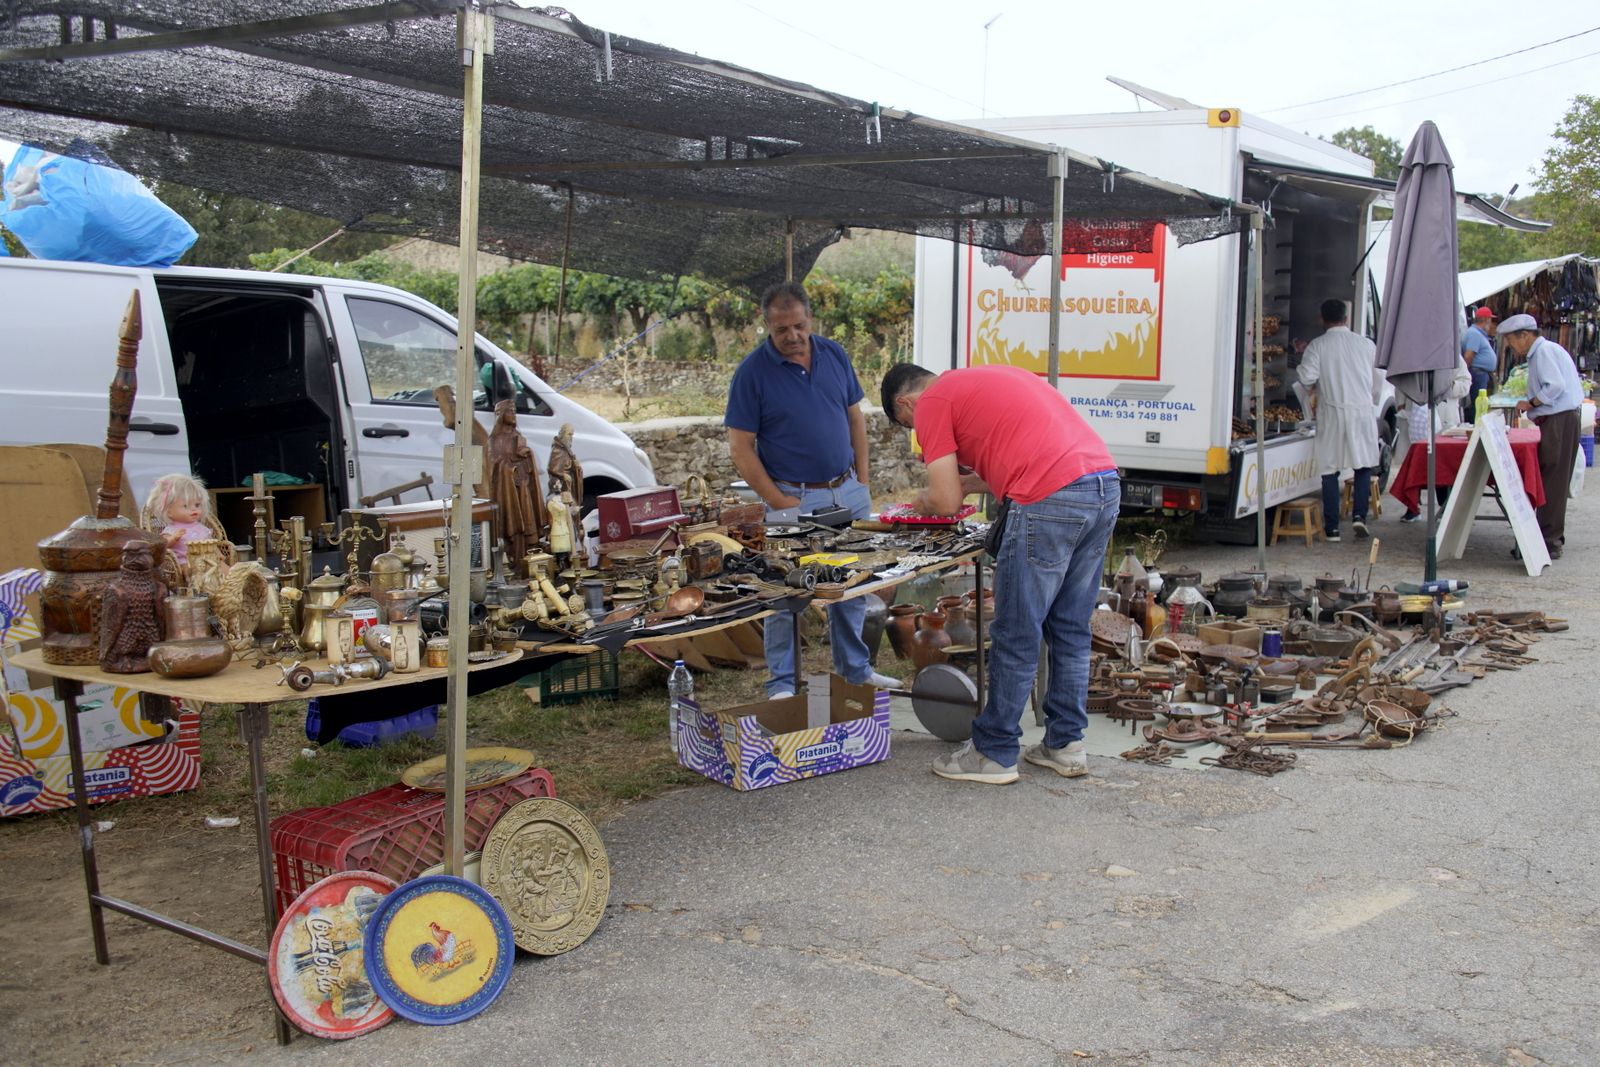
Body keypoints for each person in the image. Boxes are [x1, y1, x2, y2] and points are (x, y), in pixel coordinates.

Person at [880, 362, 1119, 786]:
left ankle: (993, 752)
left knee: (1016, 631)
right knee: (1069, 627)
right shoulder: (981, 381)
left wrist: (925, 500)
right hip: (1100, 485)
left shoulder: (932, 402)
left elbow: (945, 500)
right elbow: (1016, 460)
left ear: (906, 403)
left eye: (908, 425)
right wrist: (969, 483)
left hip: (1050, 498)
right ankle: (1065, 745)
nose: (918, 433)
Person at [725, 281, 898, 698]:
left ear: (810, 318)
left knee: (852, 585)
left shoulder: (834, 353)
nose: (792, 336)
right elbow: (740, 447)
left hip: (847, 491)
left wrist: (863, 478)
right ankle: (782, 685)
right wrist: (780, 502)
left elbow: (855, 418)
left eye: (799, 325)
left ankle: (855, 671)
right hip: (792, 496)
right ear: (766, 325)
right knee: (787, 591)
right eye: (781, 329)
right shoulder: (752, 373)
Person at [1297, 299, 1383, 542]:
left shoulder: (1318, 346)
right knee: (1363, 464)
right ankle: (1359, 516)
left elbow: (1306, 378)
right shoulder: (1366, 345)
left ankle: (1333, 528)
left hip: (1332, 411)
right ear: (1346, 318)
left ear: (1322, 320)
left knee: (1329, 469)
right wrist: (1369, 398)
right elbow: (1378, 382)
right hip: (1361, 409)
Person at [1504, 314, 1583, 560]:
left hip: (1560, 419)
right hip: (1561, 418)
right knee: (1552, 478)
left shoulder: (1543, 352)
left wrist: (1532, 403)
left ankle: (1550, 541)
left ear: (1525, 336)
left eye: (1511, 340)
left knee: (1553, 481)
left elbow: (1555, 386)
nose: (1510, 346)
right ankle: (1548, 537)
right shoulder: (1545, 350)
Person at [1395, 352, 1472, 523]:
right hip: (1416, 415)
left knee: (1441, 464)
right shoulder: (1413, 355)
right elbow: (1401, 380)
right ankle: (1412, 506)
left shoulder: (1452, 356)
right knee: (1415, 462)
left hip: (1444, 414)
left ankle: (1444, 507)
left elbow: (1465, 382)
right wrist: (1400, 402)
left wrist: (1447, 387)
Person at [142, 472, 215, 568]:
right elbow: (163, 545)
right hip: (186, 562)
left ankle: (231, 579)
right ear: (169, 512)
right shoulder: (172, 530)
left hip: (208, 559)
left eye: (197, 505)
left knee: (221, 566)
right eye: (185, 506)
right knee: (191, 569)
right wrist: (173, 539)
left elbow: (211, 543)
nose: (194, 509)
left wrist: (218, 553)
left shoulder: (201, 527)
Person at [1462, 307, 1498, 423]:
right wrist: (1465, 373)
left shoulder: (1478, 334)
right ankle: (1475, 426)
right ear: (1486, 320)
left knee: (1480, 404)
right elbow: (1468, 356)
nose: (1491, 324)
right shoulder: (1474, 334)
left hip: (1480, 373)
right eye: (1491, 320)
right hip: (1478, 374)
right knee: (1478, 405)